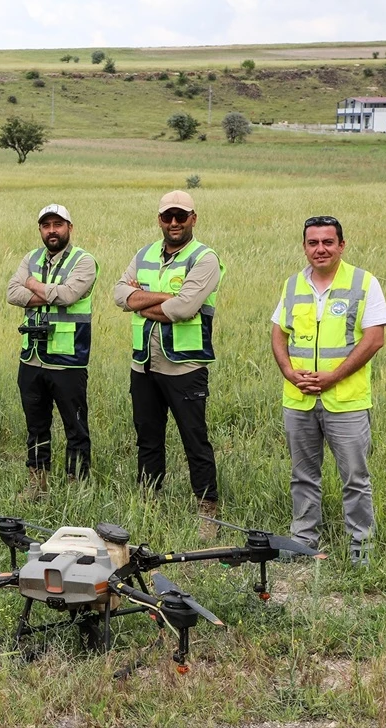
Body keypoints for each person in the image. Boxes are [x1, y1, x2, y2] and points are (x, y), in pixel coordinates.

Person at [271, 216, 386, 566]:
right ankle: (303, 541)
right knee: (303, 475)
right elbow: (279, 333)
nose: (320, 249)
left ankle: (361, 549)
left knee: (355, 477)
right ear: (304, 246)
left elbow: (375, 338)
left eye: (327, 242)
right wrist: (289, 372)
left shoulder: (364, 282)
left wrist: (333, 377)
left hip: (346, 402)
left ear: (341, 245)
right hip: (300, 399)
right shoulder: (293, 285)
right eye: (312, 243)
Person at [113, 190, 224, 539]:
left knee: (194, 439)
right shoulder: (145, 254)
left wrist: (142, 302)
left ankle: (207, 510)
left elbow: (185, 308)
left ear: (193, 218)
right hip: (143, 363)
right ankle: (149, 501)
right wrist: (166, 298)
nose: (174, 223)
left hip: (185, 366)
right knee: (147, 437)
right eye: (167, 217)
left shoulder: (205, 259)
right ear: (160, 219)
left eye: (181, 216)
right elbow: (119, 295)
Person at [6, 204, 98, 500]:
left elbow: (70, 295)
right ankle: (37, 484)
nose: (52, 230)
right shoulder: (30, 257)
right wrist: (48, 292)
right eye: (46, 225)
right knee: (36, 426)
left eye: (58, 224)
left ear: (70, 227)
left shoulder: (84, 261)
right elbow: (11, 293)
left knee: (75, 426)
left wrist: (32, 284)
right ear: (40, 230)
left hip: (68, 359)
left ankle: (77, 486)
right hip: (31, 357)